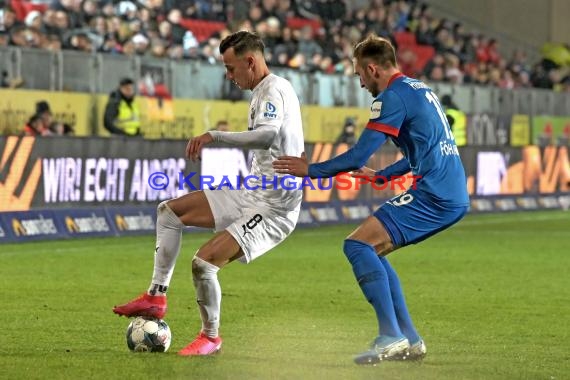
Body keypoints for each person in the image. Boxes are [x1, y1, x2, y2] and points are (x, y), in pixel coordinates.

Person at [273, 35, 469, 365]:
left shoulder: (392, 97)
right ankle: (409, 339)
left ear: (372, 68)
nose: (361, 83)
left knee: (357, 246)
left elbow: (358, 154)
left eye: (359, 74)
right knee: (373, 249)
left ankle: (391, 336)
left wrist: (311, 170)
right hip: (450, 191)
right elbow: (424, 150)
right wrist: (383, 176)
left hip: (435, 194)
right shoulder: (420, 89)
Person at [113, 31, 305, 356]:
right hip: (251, 193)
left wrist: (215, 136)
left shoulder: (274, 89)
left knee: (203, 263)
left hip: (275, 209)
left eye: (231, 69)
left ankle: (211, 337)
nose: (229, 77)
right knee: (169, 212)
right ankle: (156, 296)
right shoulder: (262, 91)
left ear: (250, 61)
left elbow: (266, 136)